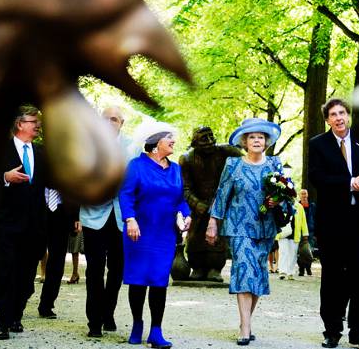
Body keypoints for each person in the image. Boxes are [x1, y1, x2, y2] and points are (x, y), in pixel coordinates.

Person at [308, 98, 359, 349]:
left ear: (348, 115)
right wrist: (350, 182)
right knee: (332, 277)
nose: (339, 118)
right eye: (333, 114)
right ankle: (332, 331)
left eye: (342, 113)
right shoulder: (318, 144)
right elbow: (317, 177)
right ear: (327, 120)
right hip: (332, 221)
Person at [206, 117, 283, 346]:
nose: (257, 140)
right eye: (252, 137)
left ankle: (246, 321)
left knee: (258, 274)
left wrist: (278, 201)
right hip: (239, 227)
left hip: (266, 227)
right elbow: (222, 194)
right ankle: (245, 327)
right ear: (244, 141)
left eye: (261, 137)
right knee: (244, 271)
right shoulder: (233, 164)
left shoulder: (274, 164)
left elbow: (286, 194)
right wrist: (213, 222)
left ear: (266, 141)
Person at [120, 123, 191, 349]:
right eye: (169, 137)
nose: (173, 140)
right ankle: (137, 324)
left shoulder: (176, 169)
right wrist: (130, 219)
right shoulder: (136, 165)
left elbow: (180, 199)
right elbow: (126, 194)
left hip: (165, 234)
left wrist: (186, 214)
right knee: (138, 280)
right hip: (139, 232)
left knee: (160, 281)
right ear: (155, 142)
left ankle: (156, 330)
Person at [0, 106, 49, 340]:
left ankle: (17, 315)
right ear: (19, 124)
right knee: (5, 272)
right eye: (33, 121)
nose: (38, 125)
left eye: (38, 121)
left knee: (26, 275)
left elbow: (52, 181)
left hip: (34, 226)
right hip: (6, 224)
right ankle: (3, 321)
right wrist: (5, 177)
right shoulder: (0, 150)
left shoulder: (42, 153)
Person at [80, 106, 133, 337]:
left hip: (122, 216)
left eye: (114, 119)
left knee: (117, 269)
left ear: (121, 123)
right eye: (105, 119)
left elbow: (135, 181)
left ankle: (107, 312)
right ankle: (94, 322)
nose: (109, 123)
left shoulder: (133, 147)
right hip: (94, 216)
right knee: (94, 269)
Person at [179, 126, 242, 281]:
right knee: (195, 237)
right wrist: (197, 204)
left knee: (218, 237)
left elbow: (245, 160)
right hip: (197, 205)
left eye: (211, 136)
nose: (209, 141)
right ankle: (198, 267)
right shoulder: (187, 159)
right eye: (204, 138)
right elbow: (185, 187)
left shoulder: (226, 152)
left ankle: (215, 268)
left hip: (219, 202)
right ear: (195, 143)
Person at [279, 194, 310, 280]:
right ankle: (282, 271)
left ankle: (290, 273)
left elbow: (303, 221)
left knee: (293, 254)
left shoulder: (299, 206)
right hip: (283, 232)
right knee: (283, 252)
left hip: (295, 233)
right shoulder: (282, 204)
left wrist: (305, 233)